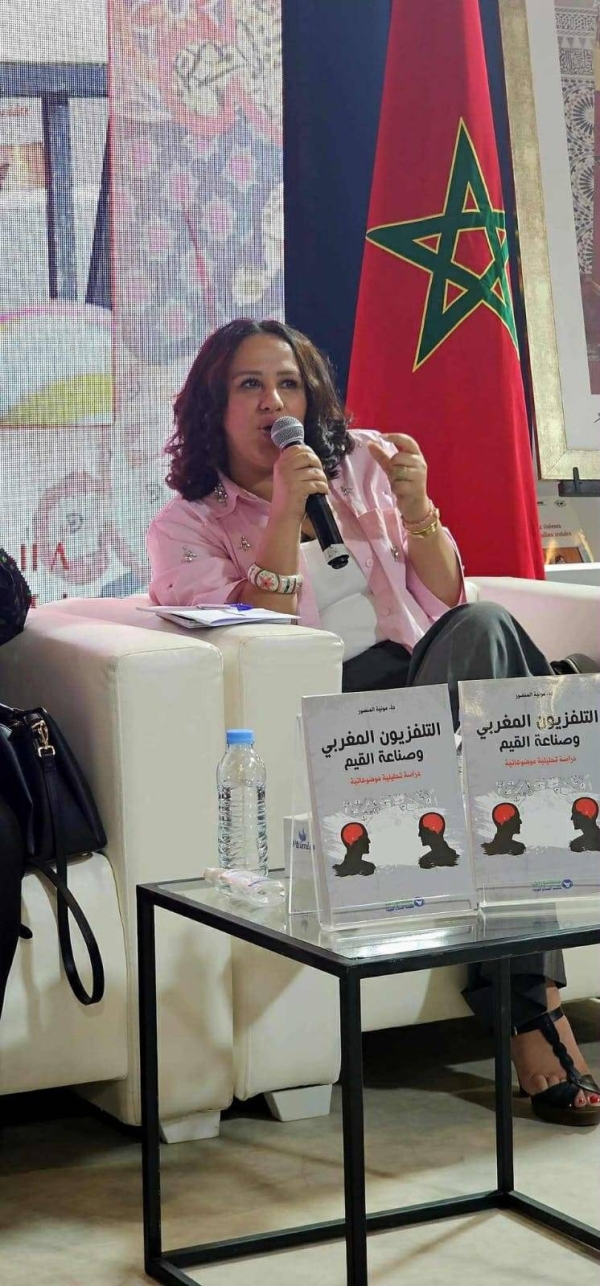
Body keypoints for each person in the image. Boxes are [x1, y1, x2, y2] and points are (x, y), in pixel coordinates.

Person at [147, 317, 599, 1125]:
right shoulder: (187, 524)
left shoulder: (359, 468)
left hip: (429, 686)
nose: (273, 402)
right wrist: (283, 512)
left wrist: (416, 507)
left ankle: (533, 733)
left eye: (288, 384)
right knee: (510, 732)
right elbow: (249, 637)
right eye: (249, 385)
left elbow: (448, 597)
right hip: (329, 718)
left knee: (485, 629)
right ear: (214, 407)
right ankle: (536, 1015)